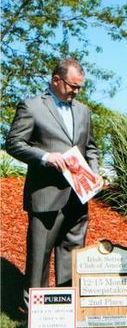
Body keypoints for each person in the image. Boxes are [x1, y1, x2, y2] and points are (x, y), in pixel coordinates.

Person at [6, 57, 103, 308]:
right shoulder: (31, 106)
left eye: (80, 87)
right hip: (45, 195)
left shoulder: (83, 111)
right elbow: (14, 144)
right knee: (39, 256)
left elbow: (90, 147)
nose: (76, 91)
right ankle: (35, 311)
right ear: (56, 80)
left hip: (78, 196)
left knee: (72, 253)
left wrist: (94, 172)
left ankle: (65, 309)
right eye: (72, 86)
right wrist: (46, 157)